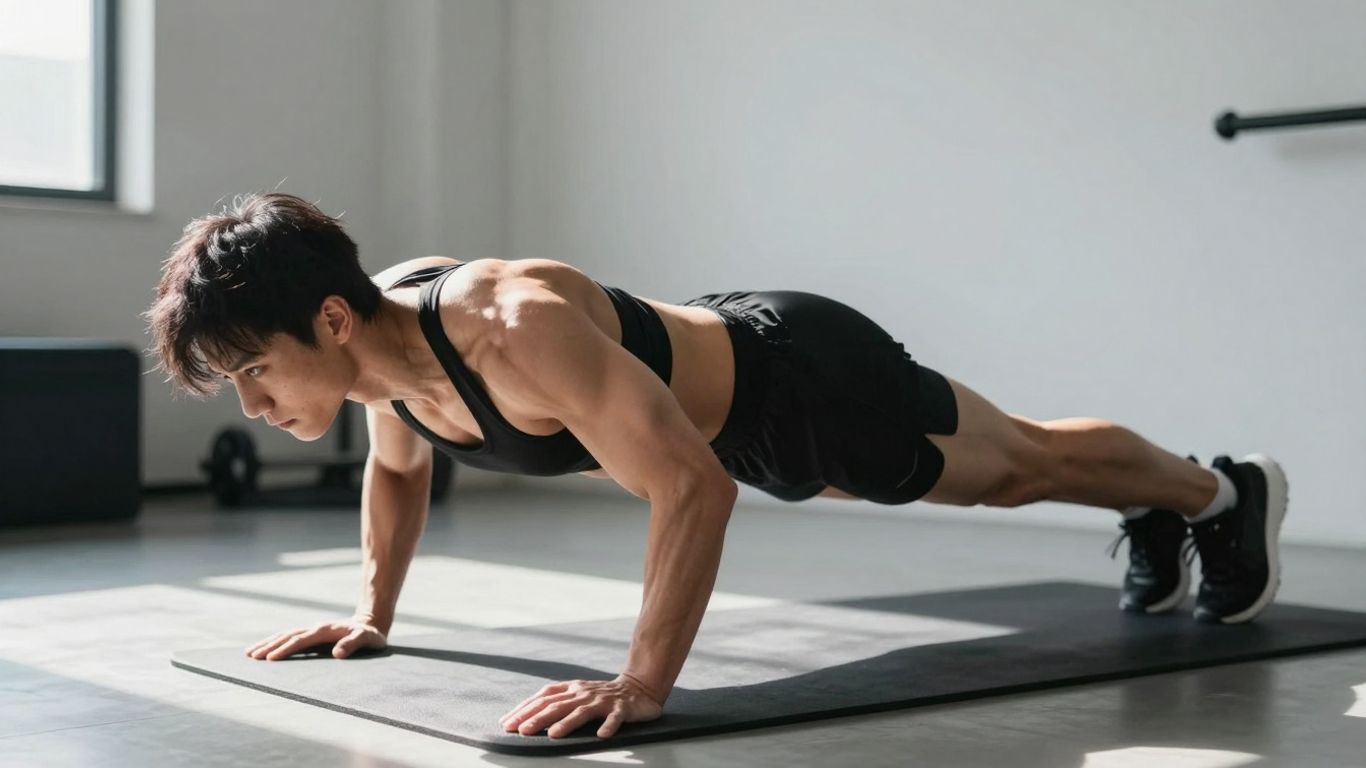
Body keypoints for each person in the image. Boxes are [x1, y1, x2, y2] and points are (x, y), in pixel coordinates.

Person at [143, 192, 1287, 741]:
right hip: (731, 420)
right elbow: (396, 472)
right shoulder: (380, 366)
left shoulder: (508, 325)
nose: (252, 402)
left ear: (333, 319)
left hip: (803, 381)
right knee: (1018, 465)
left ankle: (1218, 492)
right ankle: (1170, 502)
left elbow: (692, 487)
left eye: (254, 370)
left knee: (1017, 468)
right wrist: (370, 614)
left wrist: (641, 686)